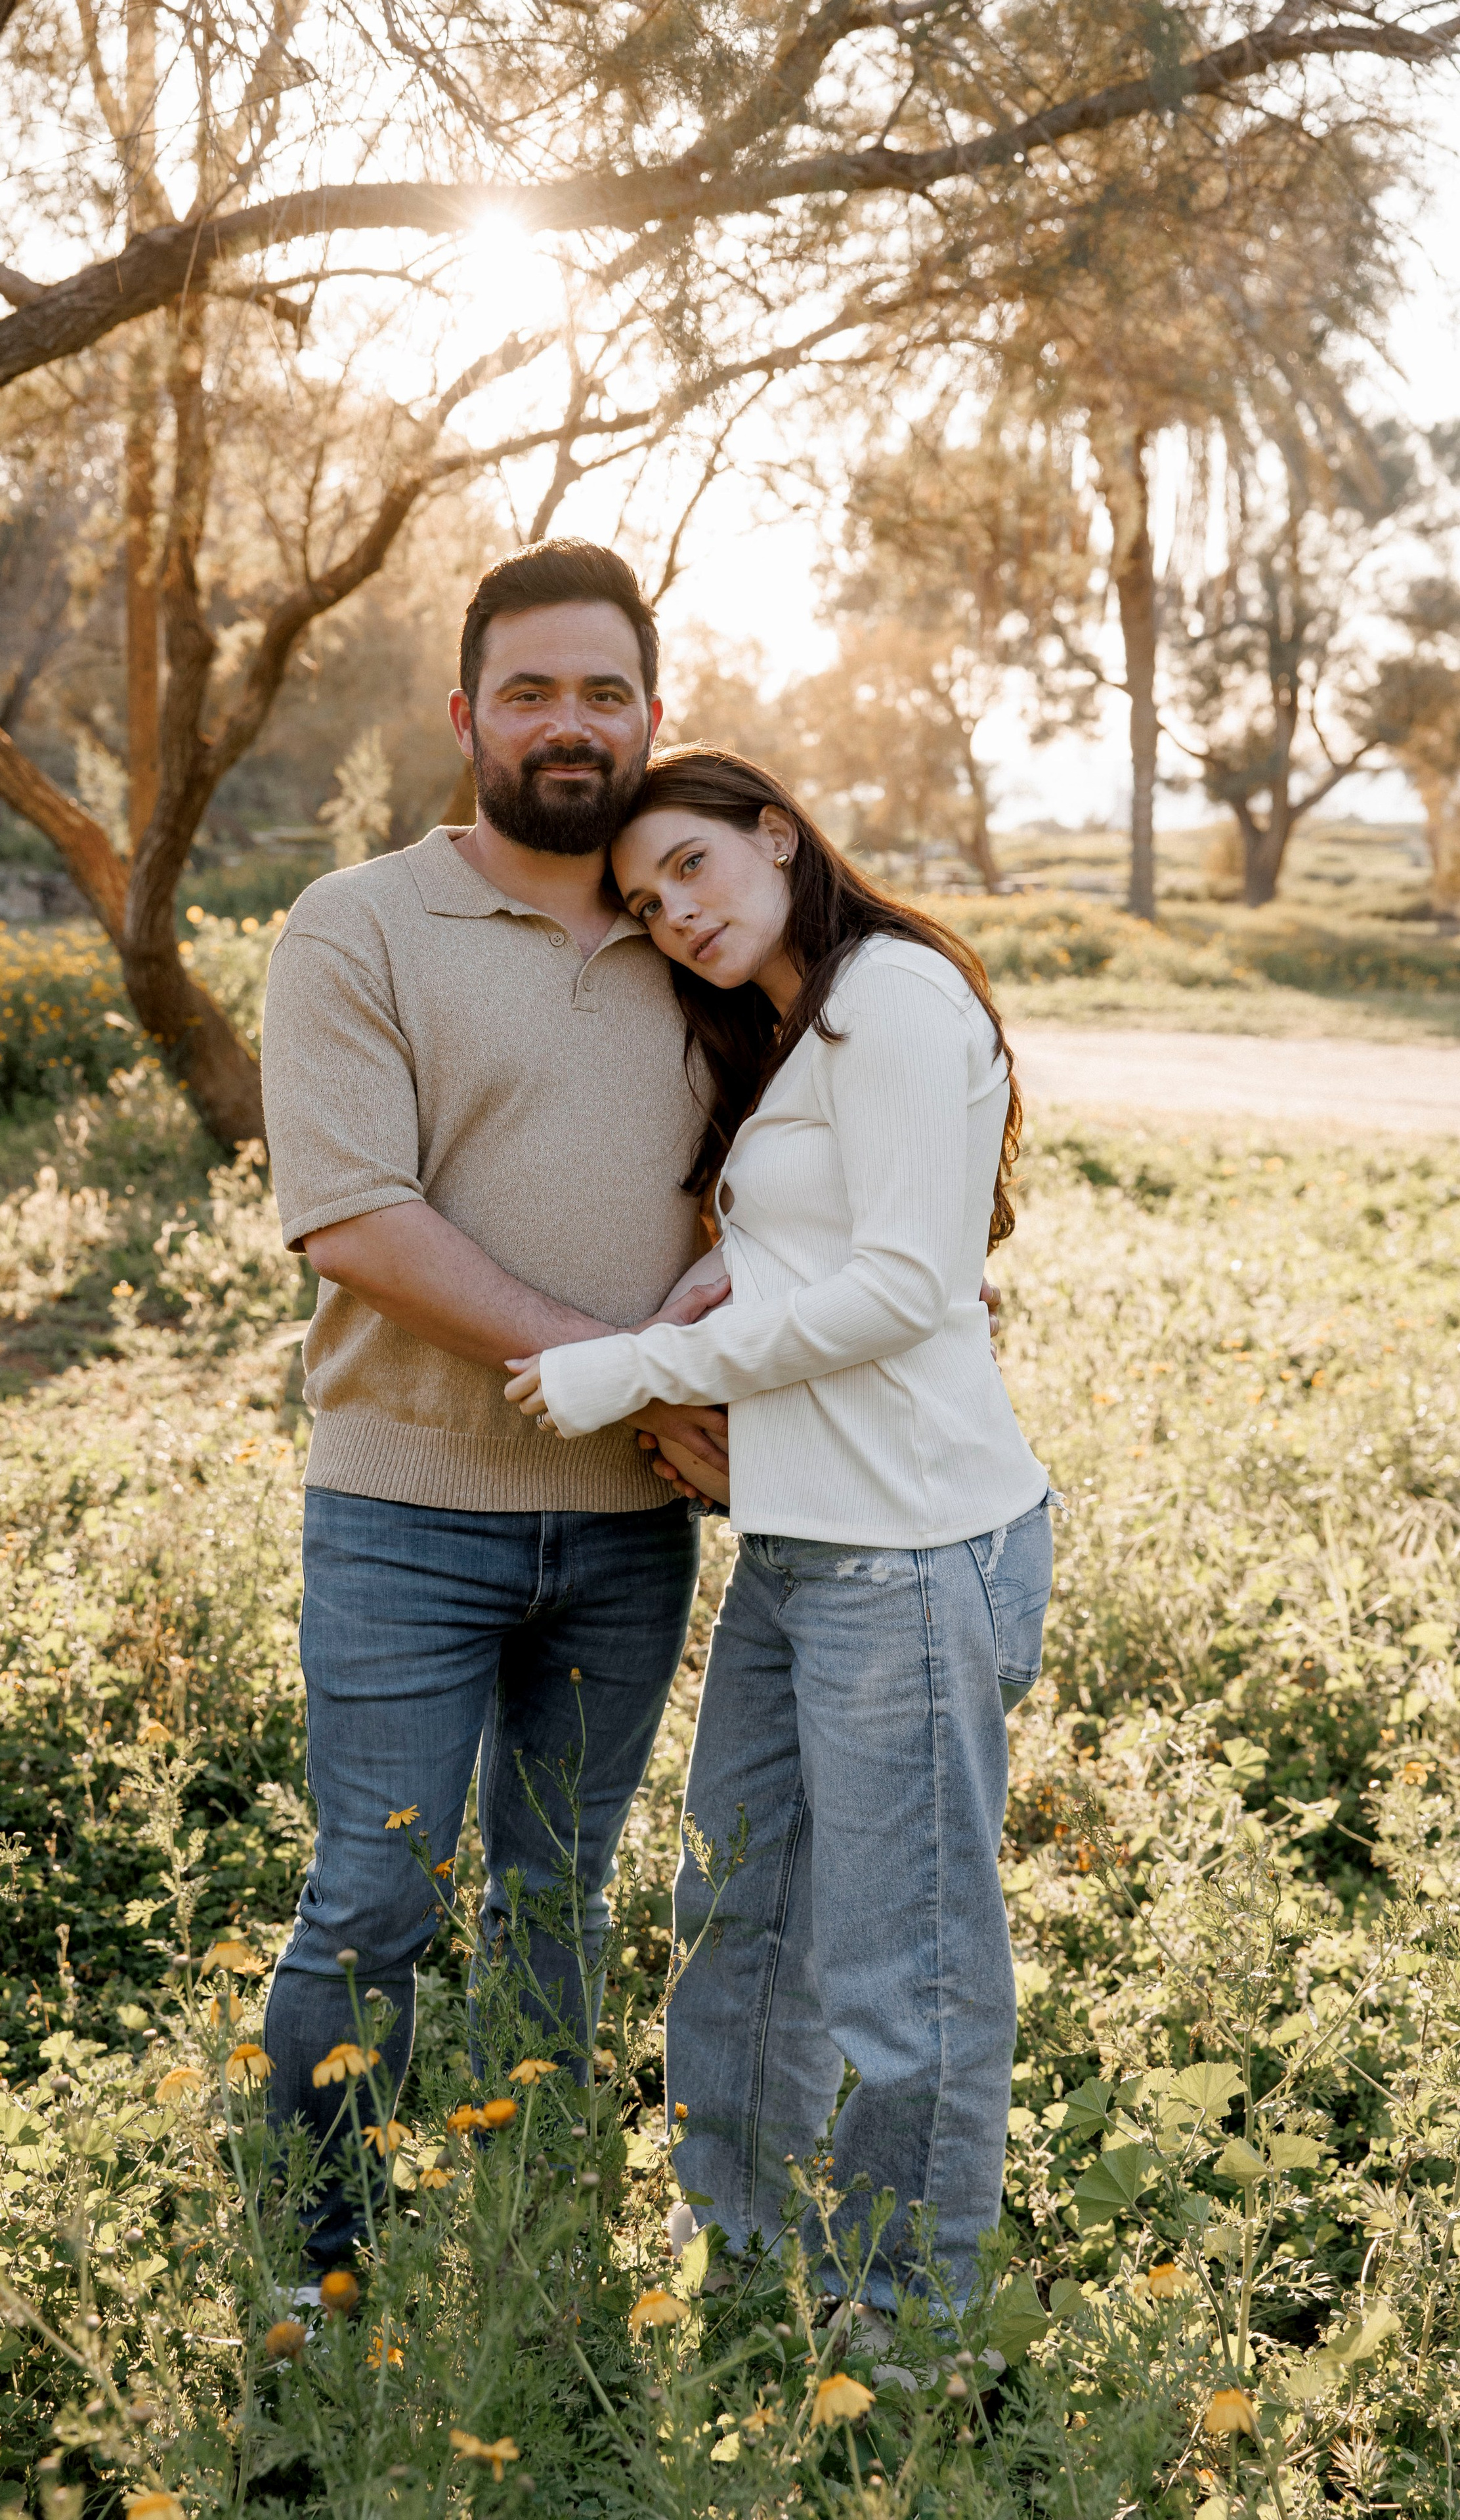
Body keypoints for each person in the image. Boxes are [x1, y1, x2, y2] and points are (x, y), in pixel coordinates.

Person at [504, 746, 1052, 2312]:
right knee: (736, 1922)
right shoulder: (803, 1025)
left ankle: (903, 2333)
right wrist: (710, 1283)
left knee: (904, 1976)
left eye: (690, 865)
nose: (673, 913)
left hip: (910, 1555)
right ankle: (739, 2279)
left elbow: (905, 1288)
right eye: (641, 901)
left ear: (775, 835)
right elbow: (822, 1252)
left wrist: (634, 1369)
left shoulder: (895, 999)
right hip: (800, 1549)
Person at [258, 543, 730, 2279]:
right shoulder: (358, 925)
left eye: (604, 691)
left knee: (557, 1901)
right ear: (465, 716)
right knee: (372, 1897)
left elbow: (788, 1175)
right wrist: (621, 1371)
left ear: (653, 716)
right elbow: (355, 1220)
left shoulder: (700, 929)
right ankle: (318, 2269)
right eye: (529, 691)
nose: (567, 724)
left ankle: (533, 2255)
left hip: (632, 1526)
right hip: (403, 1510)